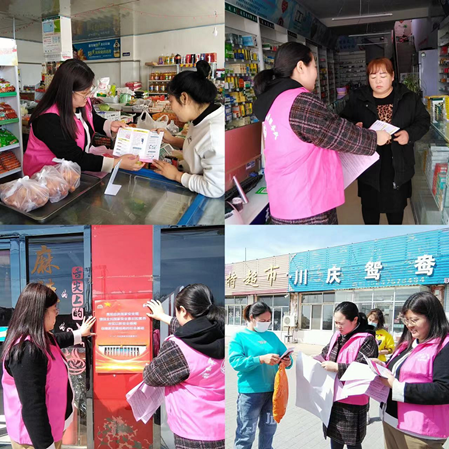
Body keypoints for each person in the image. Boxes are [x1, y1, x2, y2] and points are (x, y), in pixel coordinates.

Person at [253, 42, 391, 225]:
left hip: (286, 203)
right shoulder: (299, 101)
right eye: (314, 66)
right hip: (307, 206)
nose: (316, 73)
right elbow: (336, 133)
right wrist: (375, 137)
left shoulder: (276, 100)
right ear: (301, 67)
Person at [2, 283, 96, 449]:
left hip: (51, 430)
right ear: (40, 313)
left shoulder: (44, 339)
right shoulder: (27, 351)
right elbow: (32, 406)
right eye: (54, 310)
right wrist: (46, 445)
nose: (57, 314)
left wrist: (79, 334)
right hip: (34, 440)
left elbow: (57, 340)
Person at [341, 58, 430, 225]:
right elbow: (342, 121)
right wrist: (354, 127)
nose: (378, 81)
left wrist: (409, 134)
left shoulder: (408, 98)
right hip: (368, 163)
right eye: (373, 77)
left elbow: (424, 121)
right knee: (370, 209)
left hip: (398, 162)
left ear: (392, 76)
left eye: (383, 76)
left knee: (396, 211)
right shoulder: (358, 99)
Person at [24, 59, 142, 177]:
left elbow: (91, 118)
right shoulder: (47, 119)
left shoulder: (82, 103)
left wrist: (109, 125)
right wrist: (116, 163)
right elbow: (74, 157)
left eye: (89, 91)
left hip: (71, 173)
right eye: (84, 93)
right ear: (67, 91)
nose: (88, 96)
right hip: (46, 178)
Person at [143, 284, 225, 449]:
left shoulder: (178, 347)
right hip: (221, 428)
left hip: (193, 431)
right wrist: (163, 317)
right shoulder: (220, 332)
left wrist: (148, 366)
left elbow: (151, 377)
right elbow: (192, 329)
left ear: (183, 310)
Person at [374, 292, 449, 449]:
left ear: (432, 318)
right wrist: (382, 366)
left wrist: (397, 386)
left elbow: (444, 389)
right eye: (406, 320)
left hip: (419, 431)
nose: (409, 325)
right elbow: (401, 369)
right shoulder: (409, 343)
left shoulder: (444, 346)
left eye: (414, 320)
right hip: (391, 420)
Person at [151, 61, 224, 198]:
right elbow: (199, 147)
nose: (170, 107)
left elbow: (215, 188)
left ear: (184, 98)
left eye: (171, 101)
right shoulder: (200, 117)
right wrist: (173, 140)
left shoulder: (214, 133)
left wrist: (177, 176)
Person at [229, 302, 293, 449]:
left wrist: (287, 361)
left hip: (273, 392)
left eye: (268, 320)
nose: (266, 323)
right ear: (252, 317)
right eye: (263, 320)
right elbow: (236, 362)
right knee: (246, 434)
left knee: (268, 432)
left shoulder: (272, 336)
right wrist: (260, 359)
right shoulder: (239, 337)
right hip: (250, 394)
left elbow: (287, 358)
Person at [320, 302, 378, 449]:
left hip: (353, 401)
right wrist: (312, 361)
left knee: (353, 443)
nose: (338, 326)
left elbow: (365, 368)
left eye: (341, 323)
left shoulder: (367, 339)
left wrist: (337, 367)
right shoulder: (337, 336)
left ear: (354, 320)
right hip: (334, 397)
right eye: (335, 323)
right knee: (335, 439)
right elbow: (325, 354)